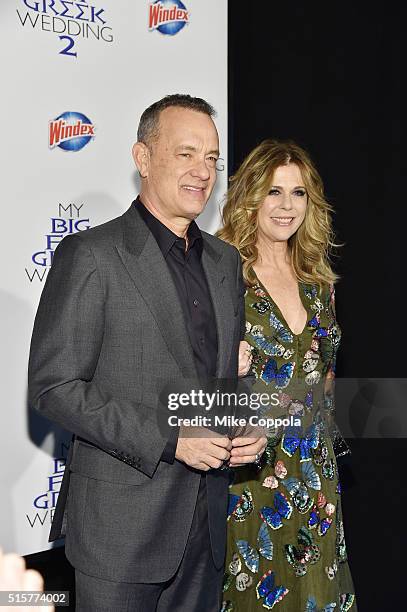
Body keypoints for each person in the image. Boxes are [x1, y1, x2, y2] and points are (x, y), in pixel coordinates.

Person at [28, 94, 266, 612]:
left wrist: (247, 424)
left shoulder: (226, 264)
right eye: (186, 154)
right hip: (121, 533)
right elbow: (55, 387)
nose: (202, 171)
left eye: (211, 158)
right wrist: (168, 437)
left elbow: (226, 377)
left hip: (206, 528)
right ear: (142, 158)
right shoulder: (92, 255)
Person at [218, 140, 357, 611]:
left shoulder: (318, 281)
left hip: (315, 474)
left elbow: (327, 379)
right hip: (249, 474)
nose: (286, 206)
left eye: (298, 194)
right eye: (273, 192)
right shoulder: (222, 274)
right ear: (250, 197)